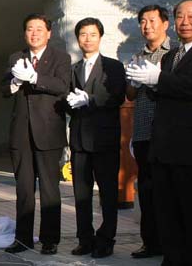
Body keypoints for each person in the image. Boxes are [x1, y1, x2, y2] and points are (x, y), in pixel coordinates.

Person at [126, 0, 192, 266]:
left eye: (191, 17)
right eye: (180, 16)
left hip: (190, 147)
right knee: (167, 211)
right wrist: (147, 83)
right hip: (162, 146)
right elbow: (164, 95)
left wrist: (158, 79)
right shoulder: (171, 56)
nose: (185, 22)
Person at [0, 14, 70, 255]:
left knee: (49, 189)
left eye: (39, 29)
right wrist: (15, 82)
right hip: (21, 133)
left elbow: (62, 85)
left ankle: (50, 239)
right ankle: (23, 239)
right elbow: (3, 88)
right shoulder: (16, 57)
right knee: (24, 189)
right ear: (25, 33)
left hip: (48, 132)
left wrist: (34, 77)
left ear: (49, 33)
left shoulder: (61, 57)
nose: (34, 33)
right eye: (30, 29)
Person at [66, 17, 126, 258]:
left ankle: (106, 239)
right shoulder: (73, 69)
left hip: (104, 141)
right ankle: (85, 239)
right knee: (81, 194)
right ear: (77, 39)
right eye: (83, 34)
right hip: (79, 141)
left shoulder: (113, 67)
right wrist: (69, 103)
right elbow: (68, 102)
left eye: (92, 34)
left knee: (108, 194)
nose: (87, 39)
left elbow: (116, 96)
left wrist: (90, 99)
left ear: (100, 37)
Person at [126, 5, 170, 259]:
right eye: (143, 21)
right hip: (143, 132)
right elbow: (130, 95)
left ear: (165, 24)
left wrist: (156, 80)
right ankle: (149, 243)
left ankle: (169, 242)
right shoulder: (137, 56)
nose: (147, 26)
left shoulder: (174, 54)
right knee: (146, 189)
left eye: (152, 20)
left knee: (166, 189)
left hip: (166, 132)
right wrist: (133, 81)